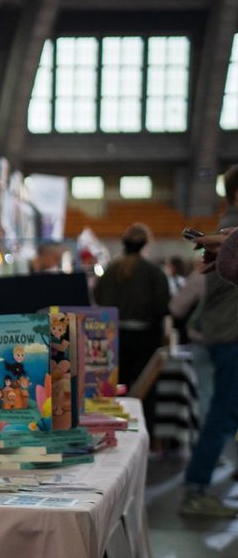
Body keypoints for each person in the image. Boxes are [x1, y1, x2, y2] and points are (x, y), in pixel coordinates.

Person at [179, 164, 238, 519]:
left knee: (225, 412)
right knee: (222, 413)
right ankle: (196, 488)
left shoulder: (227, 230)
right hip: (230, 334)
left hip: (224, 332)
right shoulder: (229, 231)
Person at [93, 223, 171, 437]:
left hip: (114, 336)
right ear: (146, 243)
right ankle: (145, 435)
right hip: (145, 338)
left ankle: (117, 433)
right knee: (146, 389)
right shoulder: (154, 272)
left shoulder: (110, 271)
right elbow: (162, 306)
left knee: (115, 389)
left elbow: (99, 299)